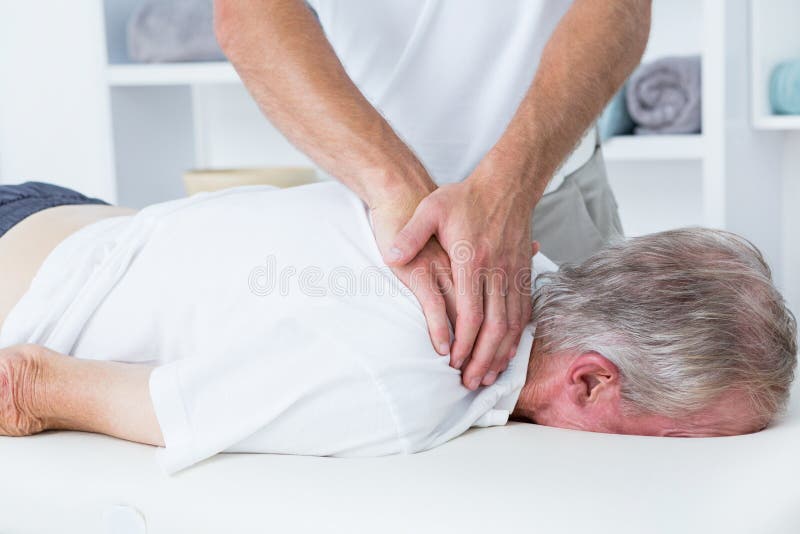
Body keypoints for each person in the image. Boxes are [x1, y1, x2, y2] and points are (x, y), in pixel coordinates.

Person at [0, 181, 795, 474]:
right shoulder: (407, 382)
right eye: (678, 446)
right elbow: (31, 385)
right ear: (590, 379)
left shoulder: (507, 252)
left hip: (70, 218)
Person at [213, 0, 651, 390]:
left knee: (587, 458)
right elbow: (247, 11)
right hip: (370, 220)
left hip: (550, 198)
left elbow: (622, 7)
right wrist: (395, 190)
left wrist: (508, 189)